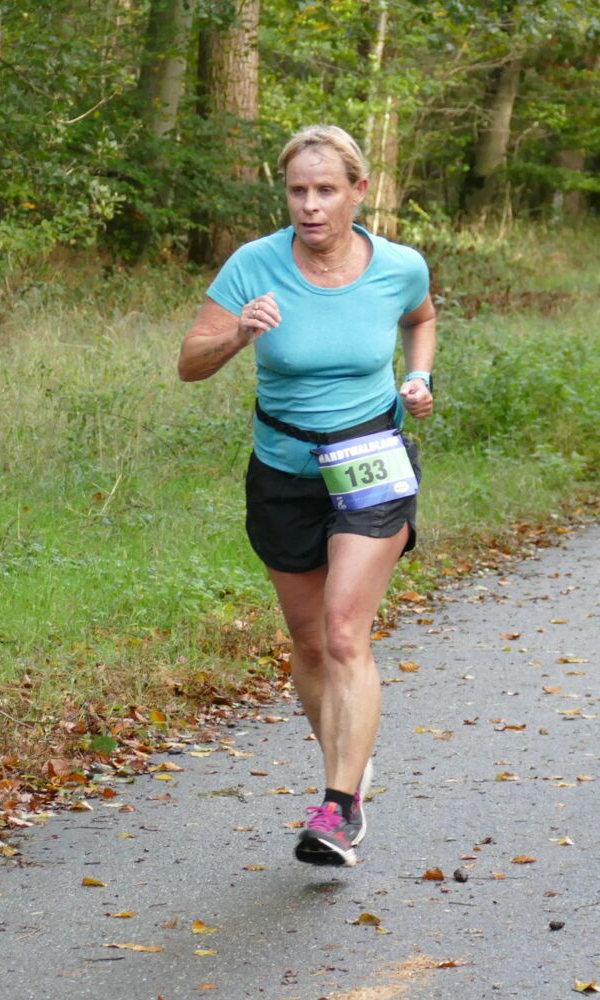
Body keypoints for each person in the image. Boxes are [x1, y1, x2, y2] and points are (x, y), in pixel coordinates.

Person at [178, 124, 435, 867]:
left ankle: (337, 807)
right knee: (311, 641)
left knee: (345, 629)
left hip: (370, 461)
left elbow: (420, 318)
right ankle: (349, 761)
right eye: (298, 191)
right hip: (284, 471)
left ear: (359, 191)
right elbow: (188, 363)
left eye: (326, 190)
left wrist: (418, 377)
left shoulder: (398, 265)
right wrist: (237, 336)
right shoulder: (252, 265)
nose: (311, 205)